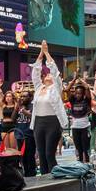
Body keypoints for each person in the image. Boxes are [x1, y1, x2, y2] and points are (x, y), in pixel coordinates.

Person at [30, 42, 67, 175]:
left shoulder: (56, 88)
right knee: (41, 155)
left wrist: (46, 53)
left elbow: (54, 70)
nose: (48, 76)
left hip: (53, 123)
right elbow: (35, 72)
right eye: (46, 75)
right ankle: (44, 181)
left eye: (49, 75)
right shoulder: (39, 88)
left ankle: (54, 178)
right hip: (39, 123)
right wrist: (40, 53)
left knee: (49, 154)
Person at [65, 75, 95, 163]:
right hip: (75, 127)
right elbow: (67, 90)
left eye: (80, 93)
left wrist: (81, 80)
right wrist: (74, 79)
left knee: (85, 148)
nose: (78, 95)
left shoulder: (86, 100)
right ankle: (80, 164)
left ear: (83, 94)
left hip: (85, 127)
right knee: (78, 148)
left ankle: (88, 164)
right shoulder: (73, 100)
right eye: (76, 93)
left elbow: (87, 88)